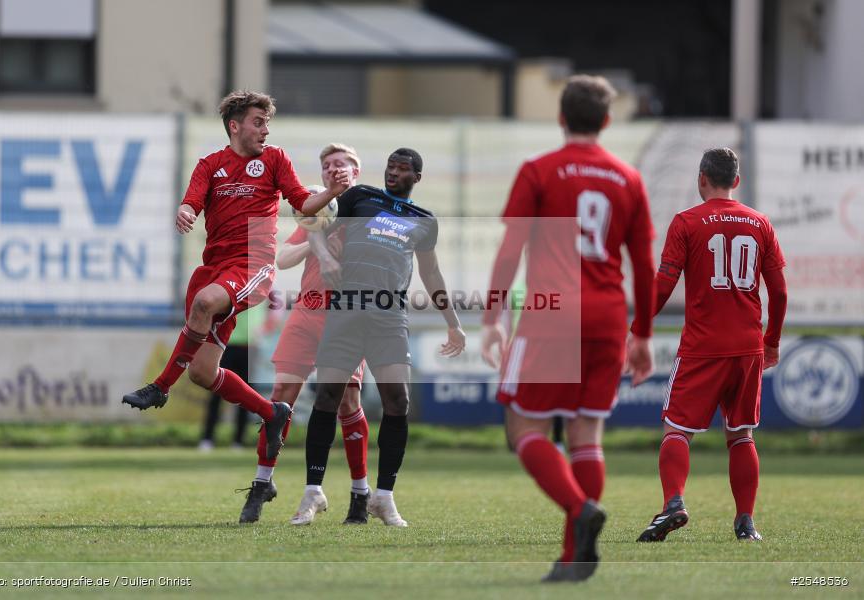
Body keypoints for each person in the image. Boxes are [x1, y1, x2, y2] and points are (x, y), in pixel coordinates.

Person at [481, 75, 657, 582]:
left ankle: (580, 510)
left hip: (552, 311)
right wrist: (641, 333)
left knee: (524, 430)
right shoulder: (628, 178)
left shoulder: (539, 170)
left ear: (561, 118)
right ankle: (573, 558)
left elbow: (511, 250)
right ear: (606, 120)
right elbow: (643, 264)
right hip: (606, 316)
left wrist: (493, 315)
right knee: (586, 433)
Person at [122, 90, 350, 464]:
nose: (266, 130)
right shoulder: (210, 164)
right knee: (202, 371)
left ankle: (160, 388)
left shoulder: (275, 159)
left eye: (268, 123)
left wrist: (331, 192)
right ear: (235, 126)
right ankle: (270, 412)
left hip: (252, 264)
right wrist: (184, 211)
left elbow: (300, 203)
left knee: (204, 302)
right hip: (214, 267)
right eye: (258, 122)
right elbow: (191, 200)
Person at [297, 148, 466, 527]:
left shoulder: (424, 221)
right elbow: (312, 218)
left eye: (403, 169)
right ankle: (313, 491)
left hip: (389, 316)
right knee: (327, 395)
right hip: (346, 310)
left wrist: (452, 322)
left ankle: (383, 498)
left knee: (398, 399)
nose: (393, 173)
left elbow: (432, 274)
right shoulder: (361, 197)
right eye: (390, 166)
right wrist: (324, 257)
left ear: (416, 178)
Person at [635, 147, 787, 543]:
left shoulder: (687, 222)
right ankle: (746, 523)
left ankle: (673, 503)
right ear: (736, 181)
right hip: (748, 348)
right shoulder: (760, 223)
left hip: (703, 346)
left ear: (701, 178)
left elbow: (664, 284)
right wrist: (771, 342)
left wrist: (638, 328)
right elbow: (781, 293)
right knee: (741, 435)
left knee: (676, 430)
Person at [237, 143, 372, 526]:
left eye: (341, 163)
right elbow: (283, 258)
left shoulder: (365, 211)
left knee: (347, 403)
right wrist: (318, 236)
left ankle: (359, 493)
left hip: (346, 319)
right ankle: (262, 482)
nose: (333, 169)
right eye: (327, 164)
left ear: (355, 172)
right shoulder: (317, 210)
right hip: (307, 313)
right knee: (281, 398)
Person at [197, 308, 261, 451]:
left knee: (246, 395)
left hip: (250, 346)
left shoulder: (263, 287)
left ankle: (238, 441)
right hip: (226, 343)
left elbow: (275, 309)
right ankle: (207, 438)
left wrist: (264, 329)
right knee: (216, 391)